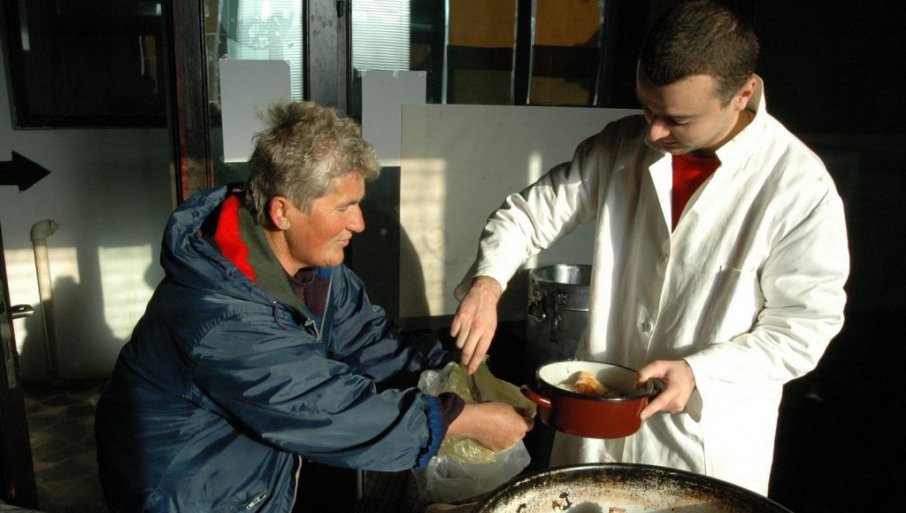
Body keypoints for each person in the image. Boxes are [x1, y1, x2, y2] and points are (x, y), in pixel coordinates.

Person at [450, 0, 848, 495]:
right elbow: (528, 215)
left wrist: (699, 373)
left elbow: (804, 328)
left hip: (703, 440)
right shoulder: (623, 144)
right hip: (597, 430)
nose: (654, 133)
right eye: (648, 108)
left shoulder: (796, 187)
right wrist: (488, 284)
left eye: (677, 119)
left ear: (743, 93)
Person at [94, 101, 532, 513]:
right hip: (192, 495)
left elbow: (369, 342)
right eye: (345, 207)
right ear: (283, 212)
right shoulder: (220, 315)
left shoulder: (314, 268)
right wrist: (460, 420)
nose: (359, 223)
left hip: (251, 482)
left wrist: (459, 373)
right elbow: (326, 410)